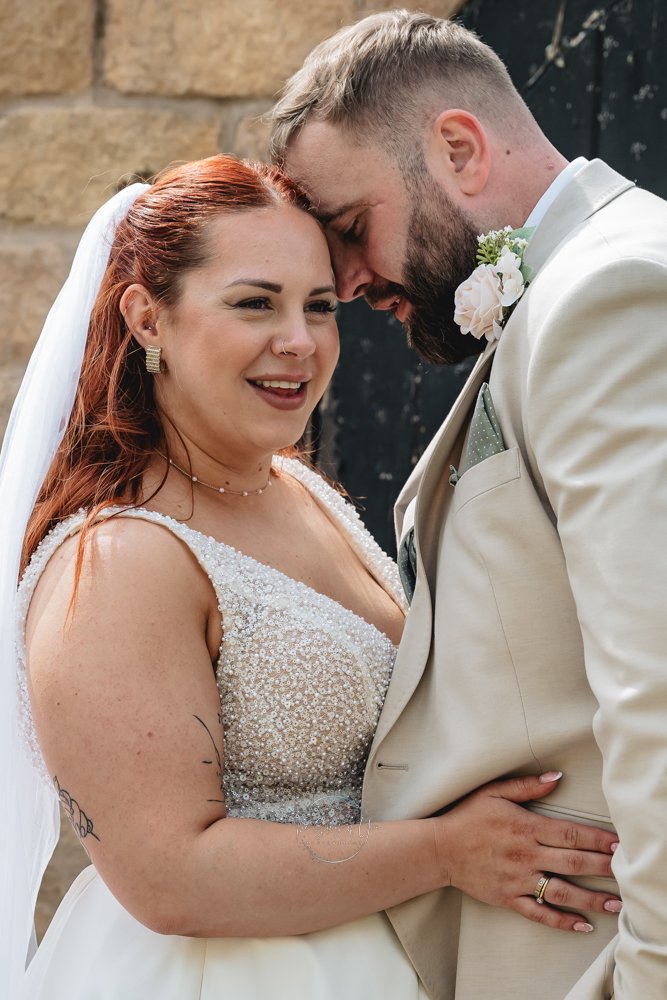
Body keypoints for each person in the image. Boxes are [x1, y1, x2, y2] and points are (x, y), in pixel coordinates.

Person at [0, 154, 621, 1000]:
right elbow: (170, 877)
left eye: (319, 306)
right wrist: (448, 853)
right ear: (147, 320)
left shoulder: (296, 489)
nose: (299, 341)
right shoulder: (116, 560)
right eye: (255, 303)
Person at [269, 10, 667, 1000]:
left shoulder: (609, 294)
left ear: (457, 147)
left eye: (349, 229)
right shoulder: (578, 287)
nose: (344, 283)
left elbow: (657, 684)